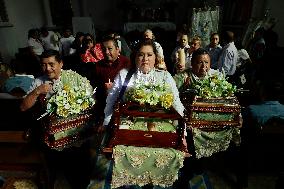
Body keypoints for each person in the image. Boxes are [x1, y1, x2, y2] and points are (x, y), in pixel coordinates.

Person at [20, 50, 92, 189]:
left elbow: (89, 100)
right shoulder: (39, 82)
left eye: (51, 64)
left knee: (81, 173)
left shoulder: (74, 78)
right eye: (43, 65)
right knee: (61, 174)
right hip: (53, 138)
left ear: (61, 63)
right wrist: (38, 91)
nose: (47, 69)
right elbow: (23, 107)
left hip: (76, 135)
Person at [101, 39, 184, 129]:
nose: (145, 59)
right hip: (129, 124)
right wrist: (106, 123)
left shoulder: (165, 76)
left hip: (161, 123)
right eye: (141, 55)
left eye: (149, 55)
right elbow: (111, 102)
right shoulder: (124, 75)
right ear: (135, 57)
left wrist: (183, 130)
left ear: (155, 57)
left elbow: (177, 103)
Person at [89, 36, 131, 121]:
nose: (106, 52)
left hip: (124, 106)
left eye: (110, 49)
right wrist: (103, 88)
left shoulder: (127, 63)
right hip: (104, 106)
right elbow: (93, 85)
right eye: (104, 49)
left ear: (117, 49)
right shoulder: (98, 66)